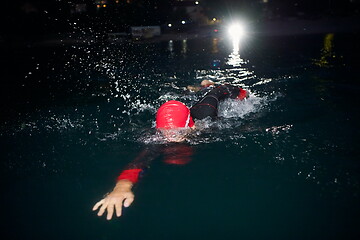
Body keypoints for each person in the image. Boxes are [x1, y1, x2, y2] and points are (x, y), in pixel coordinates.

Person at [92, 84, 249, 220]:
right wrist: (122, 187)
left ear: (191, 127)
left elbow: (221, 90)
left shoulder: (208, 115)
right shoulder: (158, 138)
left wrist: (244, 95)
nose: (171, 139)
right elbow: (139, 161)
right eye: (165, 133)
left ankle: (203, 86)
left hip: (209, 97)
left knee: (209, 90)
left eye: (178, 133)